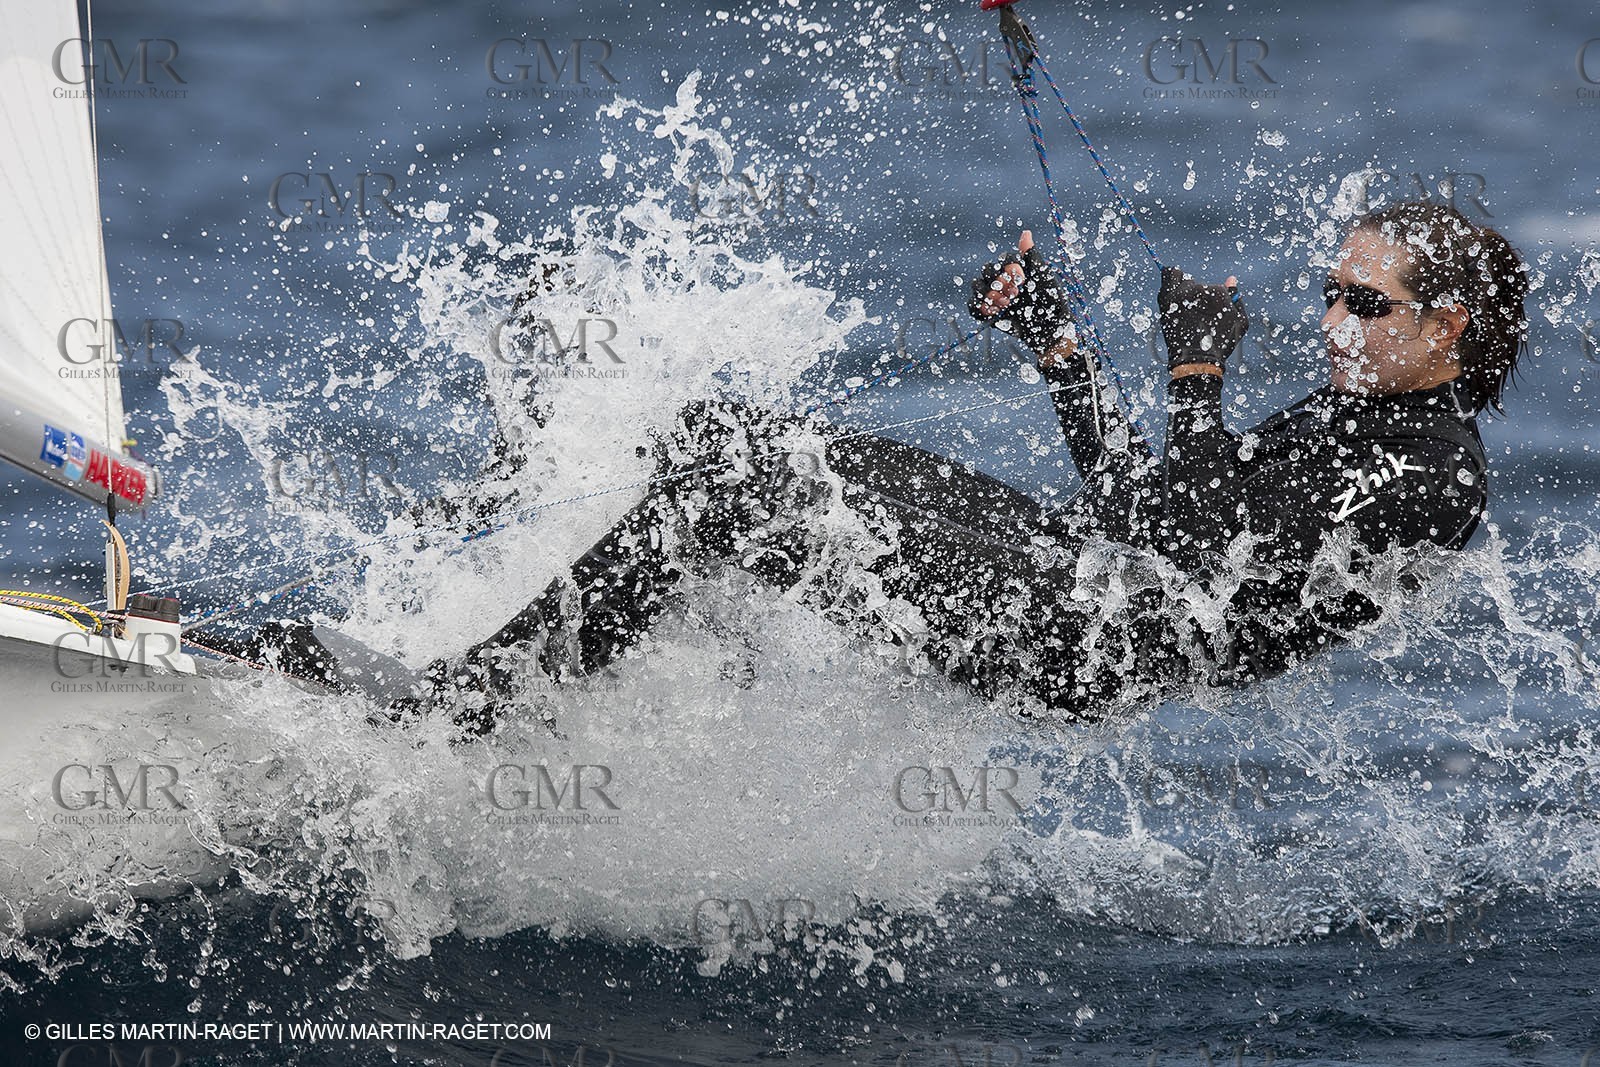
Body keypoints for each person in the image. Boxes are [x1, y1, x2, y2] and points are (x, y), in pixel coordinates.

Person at [395, 199, 1525, 733]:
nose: (1331, 320)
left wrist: (1191, 378)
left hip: (1086, 651)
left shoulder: (1433, 476)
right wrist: (1061, 349)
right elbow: (1143, 513)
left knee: (733, 495)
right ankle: (493, 614)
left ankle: (478, 702)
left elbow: (1187, 554)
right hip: (1085, 576)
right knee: (726, 438)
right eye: (1329, 291)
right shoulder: (1352, 404)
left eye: (1363, 303)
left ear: (1446, 328)